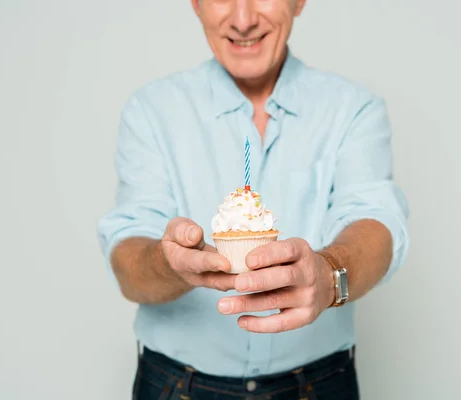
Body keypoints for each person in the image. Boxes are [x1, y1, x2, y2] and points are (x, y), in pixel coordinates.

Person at [97, 0, 410, 399]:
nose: (243, 21)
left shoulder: (353, 109)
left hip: (320, 384)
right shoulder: (151, 111)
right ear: (196, 4)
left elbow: (375, 222)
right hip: (176, 385)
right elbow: (128, 262)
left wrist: (329, 275)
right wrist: (169, 264)